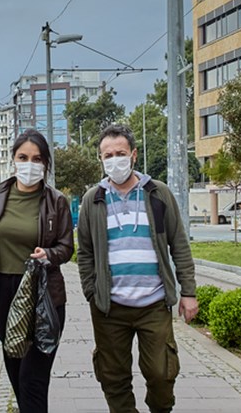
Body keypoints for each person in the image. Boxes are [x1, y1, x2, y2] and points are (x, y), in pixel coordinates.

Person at [76, 124, 197, 413]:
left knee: (161, 373)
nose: (114, 160)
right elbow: (85, 253)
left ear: (133, 155)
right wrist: (92, 291)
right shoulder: (93, 200)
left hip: (153, 303)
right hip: (109, 307)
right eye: (108, 155)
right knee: (113, 376)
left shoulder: (158, 194)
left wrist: (188, 292)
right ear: (101, 159)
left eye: (120, 153)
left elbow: (179, 244)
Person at [0, 128, 74, 412]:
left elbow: (67, 247)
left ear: (46, 163)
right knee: (16, 373)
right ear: (13, 160)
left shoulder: (56, 201)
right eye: (23, 157)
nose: (30, 164)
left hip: (43, 296)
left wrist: (48, 254)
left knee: (33, 379)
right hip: (4, 293)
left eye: (37, 159)